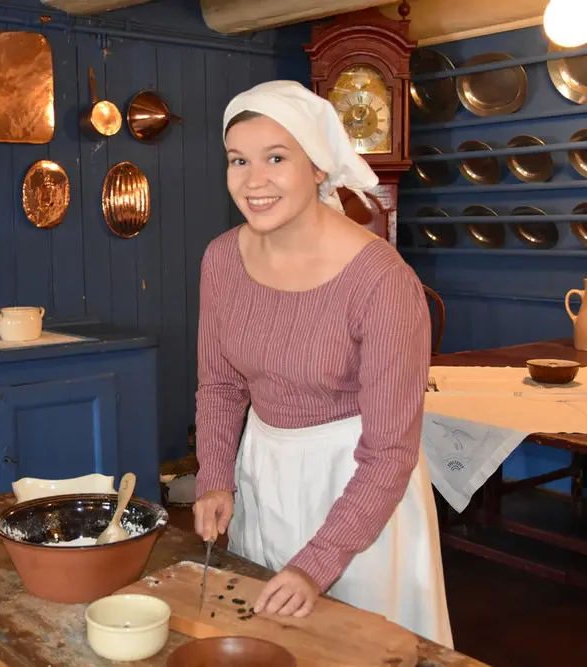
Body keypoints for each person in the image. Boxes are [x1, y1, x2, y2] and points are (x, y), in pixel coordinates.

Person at [192, 79, 452, 648]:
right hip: (262, 471)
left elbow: (390, 452)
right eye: (239, 160)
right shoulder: (221, 260)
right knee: (269, 644)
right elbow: (219, 386)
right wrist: (215, 478)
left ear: (317, 167)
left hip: (358, 490)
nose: (253, 180)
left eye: (276, 158)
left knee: (352, 648)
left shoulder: (381, 282)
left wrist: (318, 561)